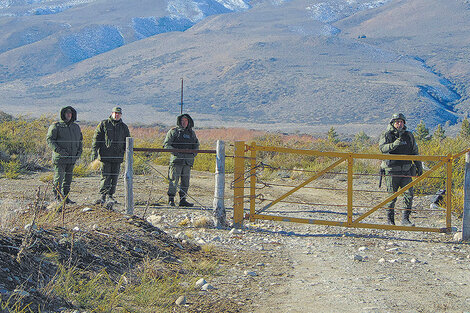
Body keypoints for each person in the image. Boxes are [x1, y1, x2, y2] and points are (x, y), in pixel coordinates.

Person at [379, 113, 423, 226]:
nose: (400, 124)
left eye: (402, 122)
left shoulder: (408, 136)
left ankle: (405, 219)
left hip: (406, 171)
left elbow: (415, 151)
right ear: (393, 123)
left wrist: (419, 166)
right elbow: (382, 149)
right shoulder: (386, 135)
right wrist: (394, 145)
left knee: (409, 195)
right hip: (391, 171)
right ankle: (390, 220)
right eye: (397, 122)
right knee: (392, 197)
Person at [91, 107, 130, 204]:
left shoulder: (124, 127)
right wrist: (94, 151)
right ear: (112, 113)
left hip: (118, 156)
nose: (117, 115)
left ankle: (110, 195)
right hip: (105, 155)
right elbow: (97, 138)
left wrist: (127, 153)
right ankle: (103, 195)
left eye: (119, 113)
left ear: (121, 115)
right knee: (105, 176)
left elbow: (128, 141)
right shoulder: (104, 124)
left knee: (114, 176)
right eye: (115, 113)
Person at [46, 106, 83, 204]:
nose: (69, 115)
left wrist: (79, 152)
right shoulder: (56, 126)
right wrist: (59, 150)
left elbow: (80, 140)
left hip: (72, 158)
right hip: (60, 158)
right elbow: (50, 140)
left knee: (68, 179)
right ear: (63, 114)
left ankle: (65, 197)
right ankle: (57, 197)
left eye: (70, 113)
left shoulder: (76, 127)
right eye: (67, 113)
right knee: (59, 178)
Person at [164, 114, 199, 207]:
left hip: (187, 162)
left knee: (185, 181)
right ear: (179, 122)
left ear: (189, 122)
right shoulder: (173, 132)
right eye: (182, 121)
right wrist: (176, 153)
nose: (184, 123)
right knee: (173, 180)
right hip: (176, 161)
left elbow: (196, 145)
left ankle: (183, 200)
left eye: (186, 121)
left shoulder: (192, 133)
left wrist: (192, 154)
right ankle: (171, 200)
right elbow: (166, 145)